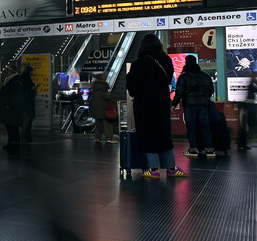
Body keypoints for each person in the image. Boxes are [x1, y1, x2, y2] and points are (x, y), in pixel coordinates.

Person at [126, 33, 188, 179]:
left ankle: (153, 169)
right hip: (162, 102)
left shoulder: (139, 63)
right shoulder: (165, 59)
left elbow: (132, 86)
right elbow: (168, 79)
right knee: (164, 134)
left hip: (144, 104)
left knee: (148, 134)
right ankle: (171, 168)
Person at [172, 55, 215, 158]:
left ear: (186, 63)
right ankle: (209, 149)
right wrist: (204, 99)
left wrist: (174, 104)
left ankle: (194, 149)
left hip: (189, 106)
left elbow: (179, 92)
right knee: (205, 126)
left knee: (191, 127)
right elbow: (211, 91)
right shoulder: (205, 75)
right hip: (203, 105)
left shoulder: (184, 76)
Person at [0, 64, 23, 149]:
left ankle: (14, 144)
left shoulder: (15, 82)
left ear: (11, 72)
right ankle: (11, 143)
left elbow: (14, 96)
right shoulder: (11, 81)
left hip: (11, 108)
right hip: (10, 108)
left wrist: (8, 104)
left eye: (8, 71)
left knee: (12, 127)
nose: (6, 73)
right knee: (10, 127)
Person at [89, 73, 115, 144]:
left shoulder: (94, 88)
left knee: (98, 124)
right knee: (107, 125)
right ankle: (109, 138)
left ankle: (97, 138)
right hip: (104, 109)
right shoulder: (103, 87)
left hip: (96, 109)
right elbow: (107, 97)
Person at [237, 70, 257, 151]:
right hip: (248, 106)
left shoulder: (252, 84)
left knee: (245, 127)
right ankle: (241, 143)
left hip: (249, 106)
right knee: (245, 127)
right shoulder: (252, 84)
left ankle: (242, 143)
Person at [20, 65, 37, 143]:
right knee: (27, 120)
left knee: (26, 120)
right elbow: (26, 92)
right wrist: (32, 89)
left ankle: (25, 136)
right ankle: (26, 136)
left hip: (24, 103)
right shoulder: (26, 80)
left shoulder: (22, 79)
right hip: (27, 103)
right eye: (31, 72)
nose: (32, 73)